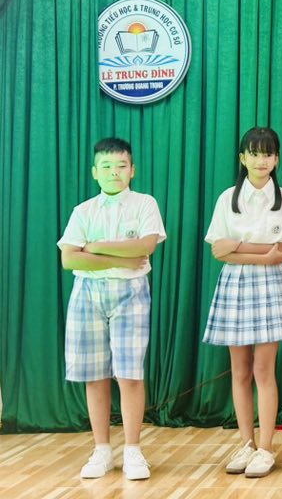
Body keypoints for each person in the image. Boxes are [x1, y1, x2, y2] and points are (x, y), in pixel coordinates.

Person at [58, 138, 166, 481]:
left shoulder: (145, 203)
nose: (113, 172)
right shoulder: (83, 210)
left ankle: (133, 449)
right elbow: (69, 259)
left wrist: (96, 247)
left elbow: (146, 246)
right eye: (106, 166)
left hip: (130, 293)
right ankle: (102, 449)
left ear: (132, 170)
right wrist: (122, 256)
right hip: (87, 292)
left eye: (121, 166)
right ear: (94, 172)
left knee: (130, 373)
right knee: (94, 374)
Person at [203, 127, 282, 478]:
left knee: (264, 370)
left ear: (276, 159)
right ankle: (245, 443)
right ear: (242, 158)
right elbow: (219, 251)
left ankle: (265, 447)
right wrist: (262, 253)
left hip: (271, 285)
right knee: (240, 371)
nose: (261, 160)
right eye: (254, 153)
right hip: (234, 284)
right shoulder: (227, 198)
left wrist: (237, 246)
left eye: (267, 154)